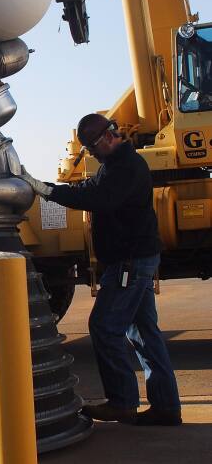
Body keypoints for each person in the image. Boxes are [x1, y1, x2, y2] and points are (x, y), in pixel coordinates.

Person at [21, 113, 182, 426]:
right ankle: (166, 407)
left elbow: (97, 198)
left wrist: (46, 191)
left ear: (108, 137)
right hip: (134, 260)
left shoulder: (126, 168)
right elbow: (89, 189)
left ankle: (122, 403)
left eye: (92, 148)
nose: (92, 154)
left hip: (128, 263)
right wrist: (50, 188)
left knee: (104, 327)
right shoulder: (114, 166)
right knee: (144, 333)